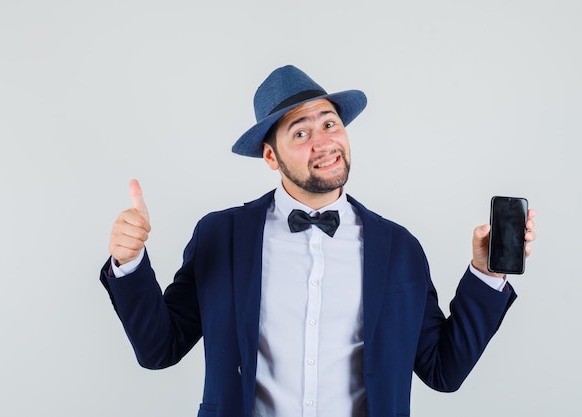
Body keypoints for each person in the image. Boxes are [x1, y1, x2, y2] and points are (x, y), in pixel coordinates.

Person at [100, 65, 536, 417]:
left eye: (330, 123)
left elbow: (444, 369)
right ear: (271, 156)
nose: (324, 142)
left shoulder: (399, 247)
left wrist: (487, 271)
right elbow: (160, 348)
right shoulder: (221, 236)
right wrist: (130, 262)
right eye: (301, 133)